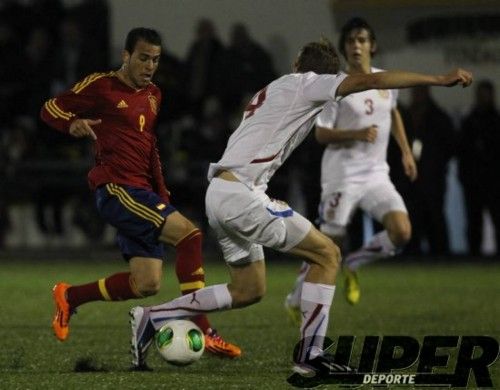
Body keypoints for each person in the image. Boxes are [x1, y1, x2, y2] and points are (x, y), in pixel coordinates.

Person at [128, 38, 472, 380]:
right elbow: (372, 80)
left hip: (223, 191)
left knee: (248, 289)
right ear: (326, 75)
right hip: (240, 196)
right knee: (328, 255)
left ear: (296, 63)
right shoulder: (309, 84)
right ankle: (311, 355)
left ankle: (153, 316)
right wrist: (438, 80)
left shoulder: (277, 88)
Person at [40, 27, 240, 359]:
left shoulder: (153, 95)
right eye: (143, 58)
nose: (149, 66)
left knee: (145, 283)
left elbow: (149, 148)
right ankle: (205, 331)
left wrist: (162, 192)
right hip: (117, 188)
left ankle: (69, 296)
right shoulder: (101, 85)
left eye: (155, 60)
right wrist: (71, 124)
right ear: (126, 56)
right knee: (190, 236)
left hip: (142, 192)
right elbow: (50, 108)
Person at [284, 18, 417, 312]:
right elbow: (320, 133)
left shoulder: (385, 81)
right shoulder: (338, 87)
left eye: (361, 40)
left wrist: (405, 151)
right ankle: (295, 297)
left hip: (376, 175)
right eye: (350, 41)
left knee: (402, 231)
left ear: (372, 45)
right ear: (344, 48)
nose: (356, 46)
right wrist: (355, 133)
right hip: (342, 176)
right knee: (328, 243)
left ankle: (354, 263)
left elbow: (392, 113)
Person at [404, 86, 455, 255]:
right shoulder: (406, 116)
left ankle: (440, 254)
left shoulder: (439, 118)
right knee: (412, 218)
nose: (416, 96)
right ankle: (412, 254)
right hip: (410, 180)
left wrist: (435, 164)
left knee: (434, 218)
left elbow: (450, 147)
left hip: (433, 179)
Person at [458, 80, 500, 256]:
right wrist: (465, 176)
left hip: (495, 180)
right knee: (473, 221)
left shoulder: (496, 121)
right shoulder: (470, 121)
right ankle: (473, 256)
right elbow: (462, 151)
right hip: (473, 181)